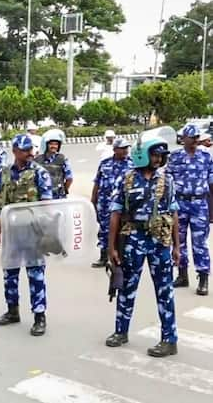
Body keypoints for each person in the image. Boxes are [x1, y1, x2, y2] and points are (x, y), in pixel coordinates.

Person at [105, 136, 180, 357]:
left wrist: (177, 247)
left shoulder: (167, 181)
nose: (158, 159)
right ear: (143, 155)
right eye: (155, 155)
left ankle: (169, 340)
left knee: (164, 290)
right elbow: (115, 214)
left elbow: (173, 213)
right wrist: (111, 247)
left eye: (161, 156)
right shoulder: (126, 180)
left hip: (159, 241)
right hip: (133, 239)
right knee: (127, 287)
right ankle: (121, 332)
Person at [0, 134, 53, 336]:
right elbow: (1, 206)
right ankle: (12, 311)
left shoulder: (39, 173)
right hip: (11, 231)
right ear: (15, 151)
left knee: (35, 275)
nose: (29, 154)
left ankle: (39, 316)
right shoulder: (6, 172)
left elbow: (46, 204)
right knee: (10, 273)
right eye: (24, 151)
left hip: (33, 232)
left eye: (30, 150)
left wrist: (45, 234)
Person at [167, 124, 212, 296]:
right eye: (191, 138)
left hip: (199, 204)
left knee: (200, 243)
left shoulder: (206, 157)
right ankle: (182, 275)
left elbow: (212, 181)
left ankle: (203, 278)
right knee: (179, 241)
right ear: (183, 139)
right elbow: (168, 180)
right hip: (179, 204)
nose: (194, 141)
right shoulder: (175, 157)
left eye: (196, 138)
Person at [91, 138, 133, 268]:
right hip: (105, 203)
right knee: (104, 229)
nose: (126, 150)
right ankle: (103, 256)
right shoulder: (105, 163)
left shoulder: (132, 164)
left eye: (127, 148)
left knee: (125, 229)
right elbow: (97, 182)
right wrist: (93, 199)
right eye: (123, 148)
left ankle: (123, 256)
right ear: (115, 150)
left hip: (125, 204)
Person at [34, 130, 73, 200]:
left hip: (58, 197)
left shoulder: (63, 159)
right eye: (51, 144)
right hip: (42, 197)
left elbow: (69, 178)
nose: (54, 146)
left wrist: (64, 191)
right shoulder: (37, 160)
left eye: (56, 144)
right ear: (46, 145)